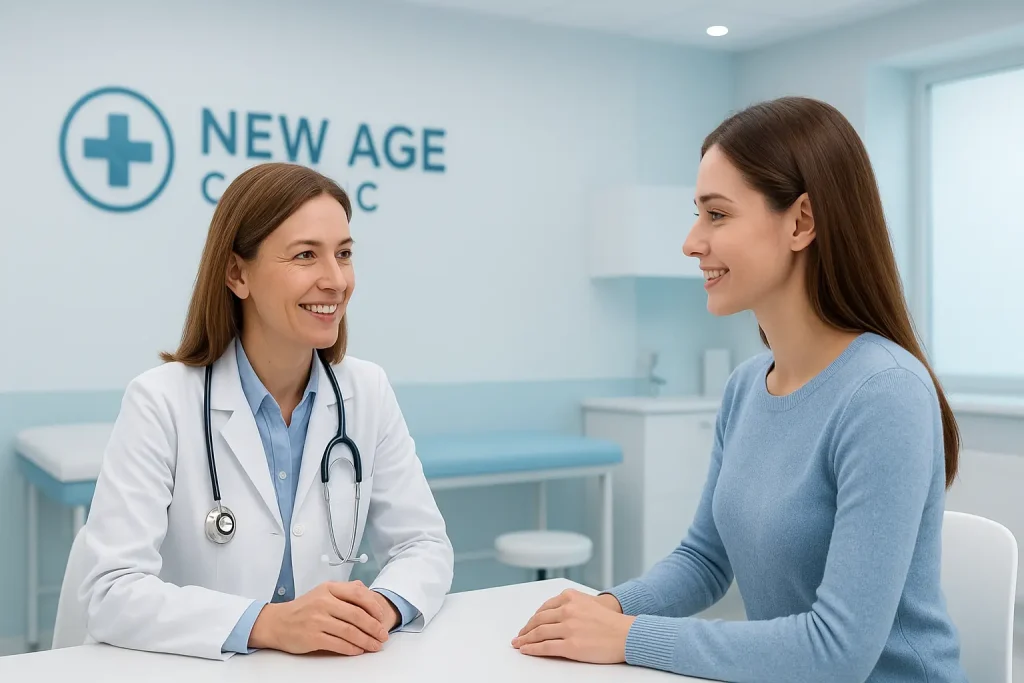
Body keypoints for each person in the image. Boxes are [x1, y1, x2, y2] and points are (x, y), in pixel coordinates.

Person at [513, 96, 967, 682]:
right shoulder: (747, 387)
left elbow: (838, 651)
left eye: (717, 215)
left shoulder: (885, 395)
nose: (691, 241)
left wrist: (629, 637)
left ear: (801, 221)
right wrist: (608, 608)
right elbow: (705, 560)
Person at [79, 162, 454, 661]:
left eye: (343, 254)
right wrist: (268, 623)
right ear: (237, 273)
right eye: (306, 256)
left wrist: (378, 609)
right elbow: (110, 592)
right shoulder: (161, 402)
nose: (336, 280)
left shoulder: (367, 391)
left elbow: (424, 544)